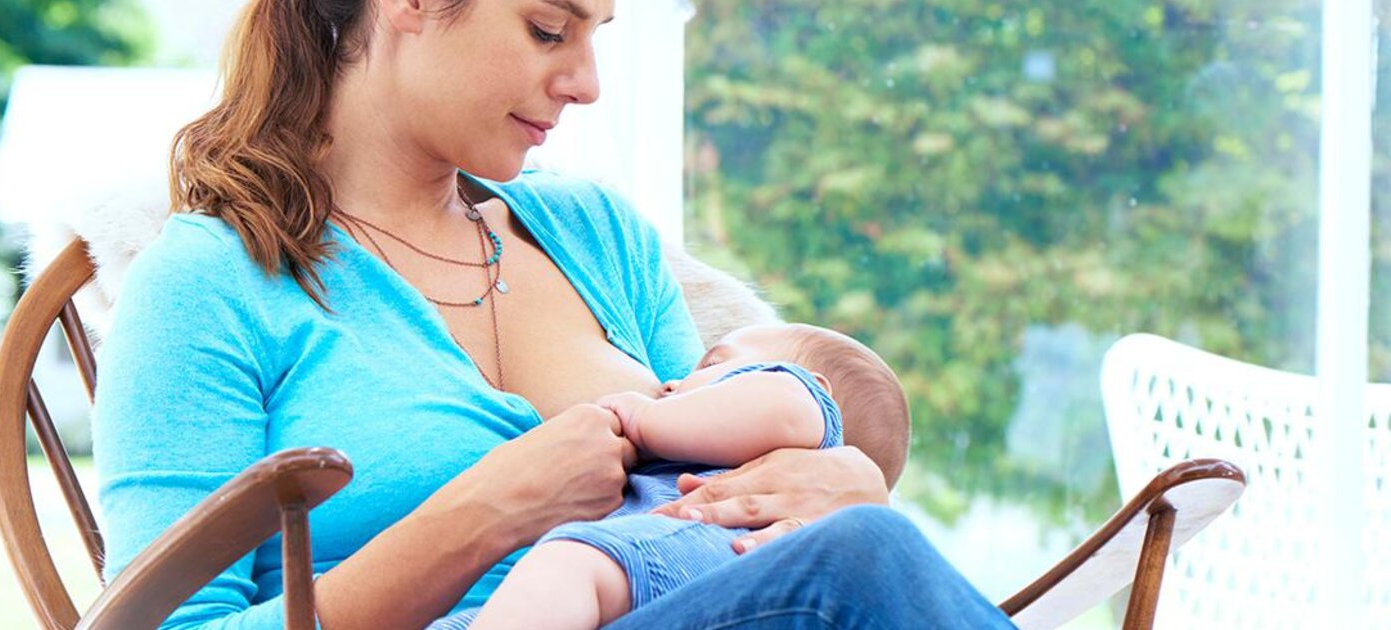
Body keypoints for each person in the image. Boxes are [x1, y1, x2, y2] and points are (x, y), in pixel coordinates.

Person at [92, 0, 1017, 628]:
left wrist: (836, 482)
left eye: (597, 33)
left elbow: (707, 505)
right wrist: (481, 516)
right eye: (548, 29)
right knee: (859, 565)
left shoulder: (596, 234)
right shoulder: (209, 285)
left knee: (862, 544)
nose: (587, 82)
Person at [443, 323, 905, 629]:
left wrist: (644, 418)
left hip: (699, 542)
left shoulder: (800, 399)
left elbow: (779, 409)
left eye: (708, 364)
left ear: (812, 383)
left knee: (564, 565)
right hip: (649, 567)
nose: (669, 383)